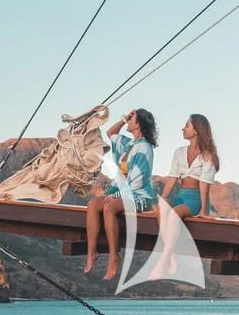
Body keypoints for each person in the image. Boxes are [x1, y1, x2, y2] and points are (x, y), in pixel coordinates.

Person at [84, 107, 158, 280]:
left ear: (139, 124)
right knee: (93, 205)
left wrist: (116, 196)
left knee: (109, 207)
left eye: (132, 119)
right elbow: (111, 132)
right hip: (123, 193)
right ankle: (91, 252)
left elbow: (137, 182)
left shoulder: (145, 148)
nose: (129, 121)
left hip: (142, 197)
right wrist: (124, 119)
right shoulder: (129, 145)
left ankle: (114, 256)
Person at [151, 114, 219, 280]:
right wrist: (162, 200)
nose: (183, 128)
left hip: (196, 198)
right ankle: (171, 254)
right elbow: (172, 179)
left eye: (186, 126)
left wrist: (204, 211)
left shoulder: (207, 155)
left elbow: (204, 185)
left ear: (196, 130)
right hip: (181, 194)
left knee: (173, 215)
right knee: (163, 207)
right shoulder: (179, 152)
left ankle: (163, 261)